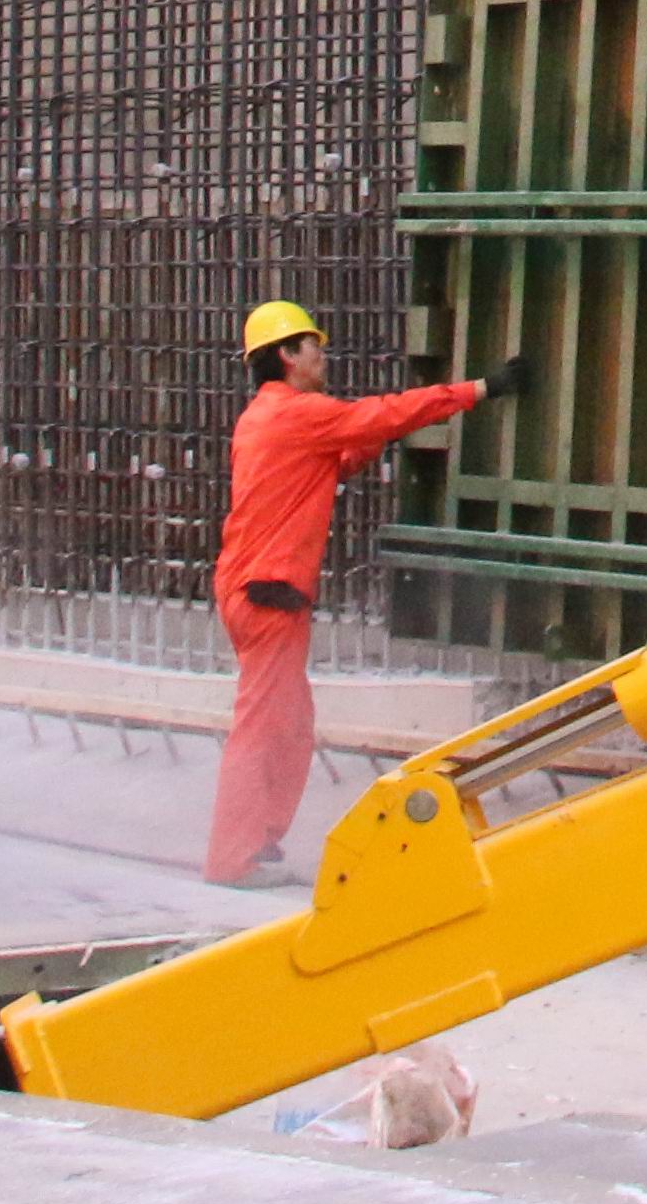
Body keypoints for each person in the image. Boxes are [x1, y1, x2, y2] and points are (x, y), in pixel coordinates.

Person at [209, 302, 513, 889]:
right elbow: (384, 413)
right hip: (269, 592)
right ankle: (232, 857)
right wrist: (478, 389)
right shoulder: (298, 414)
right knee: (264, 727)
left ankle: (258, 838)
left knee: (287, 723)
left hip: (253, 588)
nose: (323, 356)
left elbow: (335, 457)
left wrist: (371, 437)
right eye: (313, 346)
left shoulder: (264, 417)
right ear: (287, 355)